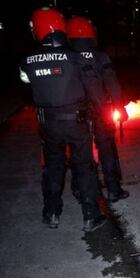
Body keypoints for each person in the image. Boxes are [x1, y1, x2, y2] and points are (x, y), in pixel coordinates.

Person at [19, 7, 107, 231]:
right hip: (76, 123)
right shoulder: (75, 58)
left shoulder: (26, 62)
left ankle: (51, 214)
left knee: (53, 167)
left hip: (48, 125)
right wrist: (102, 112)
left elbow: (28, 86)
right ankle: (90, 216)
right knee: (84, 167)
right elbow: (93, 89)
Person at [66, 16, 129, 203]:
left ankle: (80, 189)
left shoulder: (68, 57)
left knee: (80, 152)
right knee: (107, 150)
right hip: (102, 111)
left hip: (77, 114)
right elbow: (112, 83)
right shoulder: (101, 57)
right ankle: (113, 189)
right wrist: (119, 106)